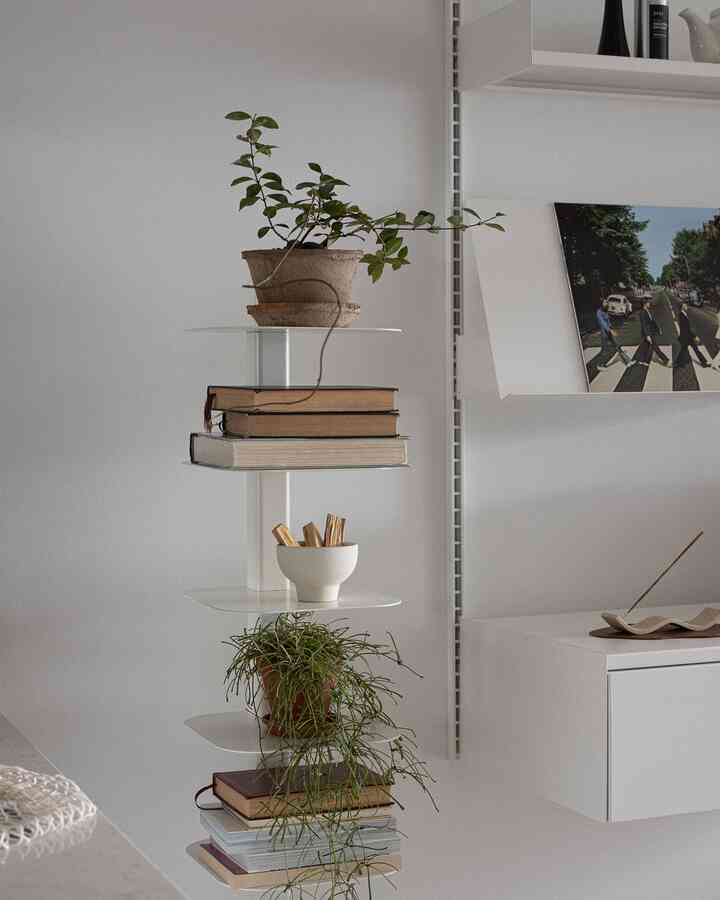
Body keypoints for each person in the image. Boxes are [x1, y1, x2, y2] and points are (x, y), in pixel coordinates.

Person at [676, 301, 710, 368]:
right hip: (685, 337)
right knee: (683, 350)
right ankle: (679, 363)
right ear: (682, 307)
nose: (686, 307)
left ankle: (704, 363)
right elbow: (686, 329)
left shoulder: (684, 314)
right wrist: (694, 336)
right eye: (685, 305)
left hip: (688, 337)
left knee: (694, 350)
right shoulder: (681, 315)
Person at [639, 300, 670, 367]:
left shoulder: (648, 311)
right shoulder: (642, 313)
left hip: (651, 331)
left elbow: (652, 322)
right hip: (648, 333)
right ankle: (666, 360)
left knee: (646, 346)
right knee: (655, 347)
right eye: (648, 303)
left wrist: (658, 329)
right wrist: (648, 335)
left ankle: (645, 361)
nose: (649, 303)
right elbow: (644, 325)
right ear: (644, 304)